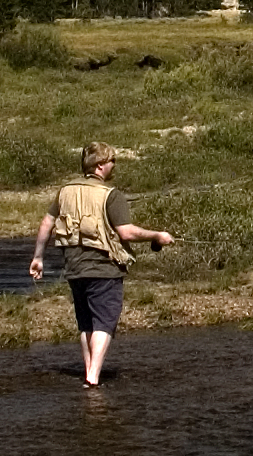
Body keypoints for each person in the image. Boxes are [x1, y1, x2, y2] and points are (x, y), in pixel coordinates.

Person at [29, 140, 173, 387]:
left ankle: (88, 372)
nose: (113, 165)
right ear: (99, 166)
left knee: (86, 323)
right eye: (111, 161)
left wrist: (38, 257)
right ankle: (93, 378)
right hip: (104, 267)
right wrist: (157, 235)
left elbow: (46, 224)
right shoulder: (111, 195)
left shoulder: (65, 191)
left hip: (73, 267)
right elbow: (126, 233)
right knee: (104, 322)